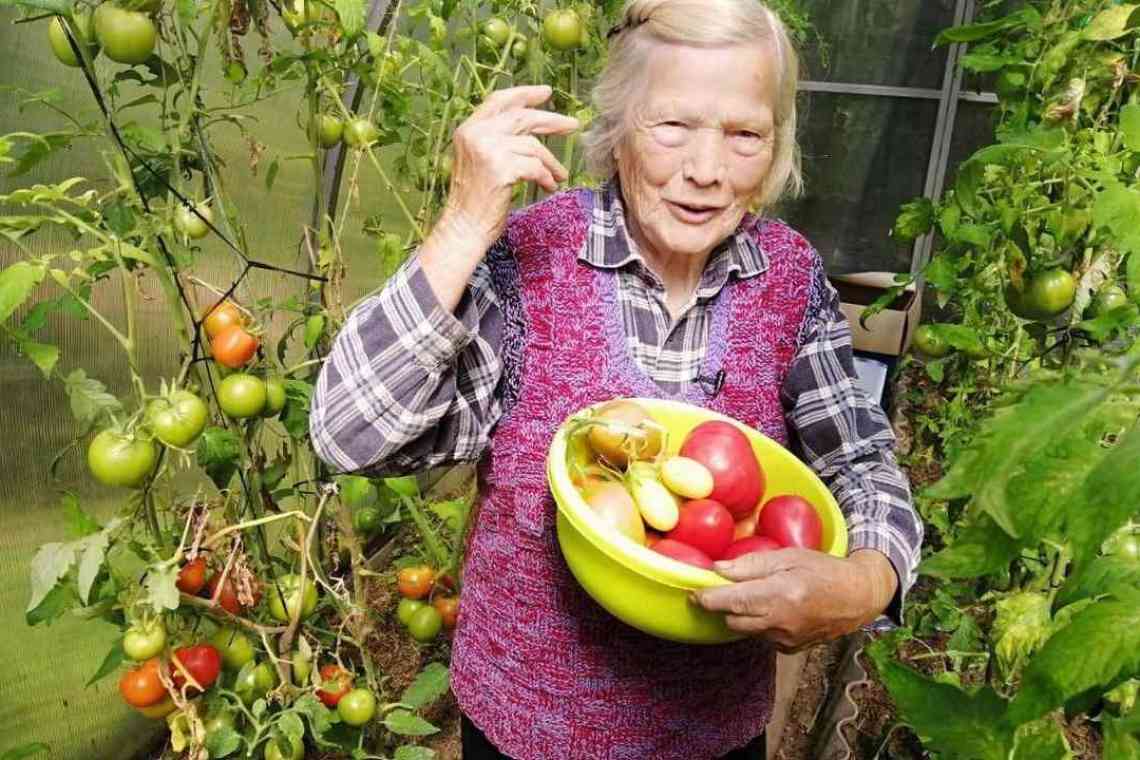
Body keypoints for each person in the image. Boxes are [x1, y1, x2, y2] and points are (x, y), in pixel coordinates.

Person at [310, 0, 923, 757]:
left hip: (714, 736)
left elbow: (858, 460)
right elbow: (349, 435)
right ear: (618, 131)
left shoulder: (789, 279)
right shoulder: (527, 260)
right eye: (672, 126)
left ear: (776, 149)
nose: (705, 171)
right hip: (525, 730)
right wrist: (466, 221)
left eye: (744, 135)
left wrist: (867, 582)